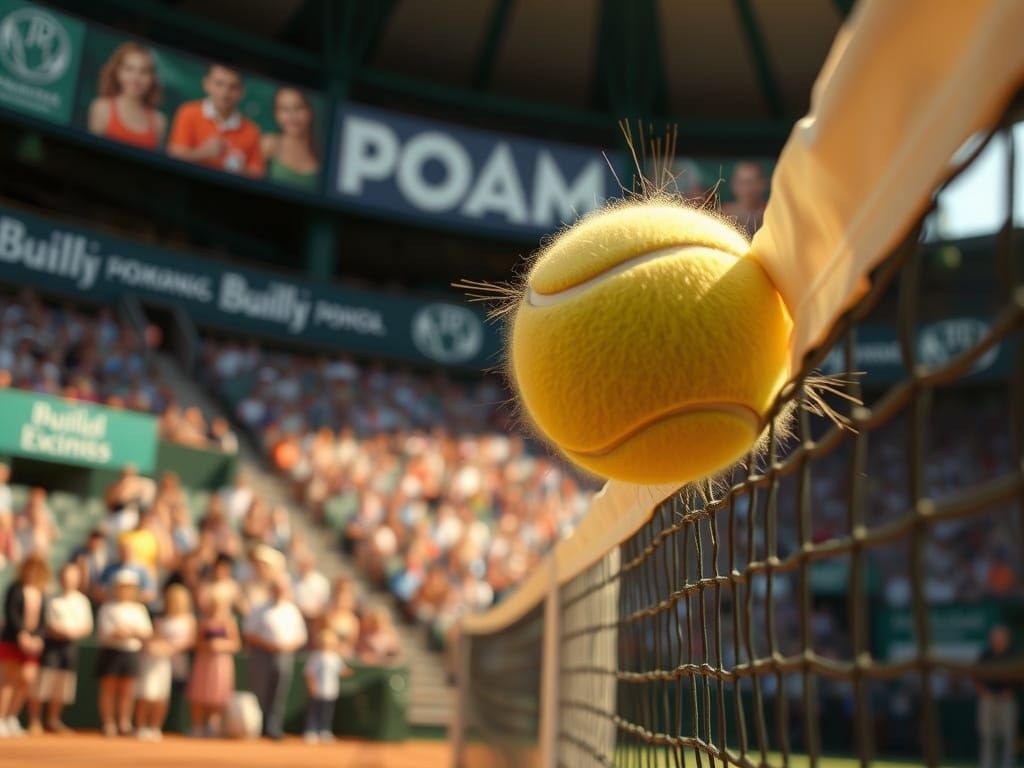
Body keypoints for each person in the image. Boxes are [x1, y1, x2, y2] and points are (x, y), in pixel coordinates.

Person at [27, 563, 93, 734]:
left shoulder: (82, 600)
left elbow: (87, 626)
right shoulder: (49, 597)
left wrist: (73, 632)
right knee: (43, 684)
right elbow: (44, 623)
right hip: (51, 646)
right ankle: (35, 721)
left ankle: (53, 720)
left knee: (63, 686)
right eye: (65, 577)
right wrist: (57, 631)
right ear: (60, 578)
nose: (68, 580)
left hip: (70, 647)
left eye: (72, 577)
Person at [167, 63, 264, 177]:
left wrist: (240, 170)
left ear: (242, 92)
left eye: (233, 87)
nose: (225, 93)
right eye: (219, 84)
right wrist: (202, 153)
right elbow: (174, 156)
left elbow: (257, 174)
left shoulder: (252, 130)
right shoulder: (188, 112)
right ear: (206, 84)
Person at [243, 577, 307, 740]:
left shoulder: (292, 610)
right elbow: (249, 632)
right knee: (259, 691)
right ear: (271, 590)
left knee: (279, 693)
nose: (280, 592)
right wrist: (268, 644)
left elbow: (301, 636)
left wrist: (286, 647)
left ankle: (273, 728)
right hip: (261, 654)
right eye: (277, 588)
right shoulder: (259, 608)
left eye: (283, 589)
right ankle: (256, 727)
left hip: (284, 655)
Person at [96, 569, 153, 737]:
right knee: (109, 689)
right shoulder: (107, 608)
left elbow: (146, 632)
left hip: (131, 653)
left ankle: (124, 723)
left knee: (127, 691)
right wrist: (117, 633)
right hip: (111, 652)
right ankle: (108, 723)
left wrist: (131, 632)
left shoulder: (139, 609)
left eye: (129, 587)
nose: (125, 590)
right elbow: (104, 632)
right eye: (122, 587)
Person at [136, 584, 195, 742]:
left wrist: (170, 649)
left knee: (162, 696)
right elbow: (154, 637)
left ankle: (155, 727)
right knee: (148, 693)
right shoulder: (161, 619)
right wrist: (157, 647)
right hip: (157, 662)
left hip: (175, 663)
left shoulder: (188, 619)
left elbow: (190, 640)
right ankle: (142, 726)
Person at [0, 555, 49, 738]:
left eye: (37, 570)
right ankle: (1, 718)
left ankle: (12, 717)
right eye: (30, 568)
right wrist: (21, 634)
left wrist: (38, 638)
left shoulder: (41, 592)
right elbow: (11, 613)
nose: (33, 573)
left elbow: (42, 620)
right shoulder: (15, 588)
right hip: (13, 640)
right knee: (8, 681)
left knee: (26, 679)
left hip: (32, 643)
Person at [88, 42, 166, 150]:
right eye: (129, 69)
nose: (135, 78)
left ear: (152, 78)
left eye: (144, 71)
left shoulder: (159, 122)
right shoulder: (101, 108)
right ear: (118, 72)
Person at [186, 594, 238, 738]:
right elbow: (196, 643)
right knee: (200, 694)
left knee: (218, 694)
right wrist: (208, 646)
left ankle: (213, 727)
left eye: (218, 605)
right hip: (204, 661)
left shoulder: (229, 622)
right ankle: (197, 727)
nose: (216, 608)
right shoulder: (203, 622)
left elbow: (236, 644)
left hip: (222, 662)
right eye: (213, 605)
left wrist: (222, 646)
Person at [260, 87, 320, 190]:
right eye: (284, 109)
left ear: (310, 112)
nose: (292, 116)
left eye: (298, 108)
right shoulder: (268, 144)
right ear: (276, 115)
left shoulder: (321, 155)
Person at [977, 625, 1018, 768]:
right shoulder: (985, 654)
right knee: (988, 736)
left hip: (1007, 700)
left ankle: (1007, 765)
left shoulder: (1014, 654)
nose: (997, 640)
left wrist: (1011, 691)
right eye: (995, 637)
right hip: (988, 699)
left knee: (1008, 736)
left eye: (1001, 637)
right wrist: (984, 692)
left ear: (1007, 639)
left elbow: (1019, 678)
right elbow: (976, 676)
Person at [303, 628, 351, 743]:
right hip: (317, 690)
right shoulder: (315, 657)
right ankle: (311, 731)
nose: (327, 645)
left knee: (327, 712)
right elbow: (309, 673)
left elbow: (342, 671)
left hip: (331, 691)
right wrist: (312, 686)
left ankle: (325, 731)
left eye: (330, 643)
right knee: (314, 712)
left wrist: (347, 671)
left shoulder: (335, 657)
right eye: (324, 643)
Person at [721, 161, 768, 237]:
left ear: (762, 184)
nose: (746, 188)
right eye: (741, 182)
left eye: (751, 182)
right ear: (734, 185)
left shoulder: (769, 212)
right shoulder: (724, 213)